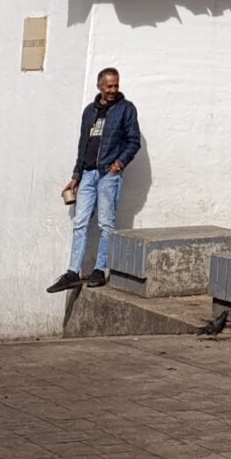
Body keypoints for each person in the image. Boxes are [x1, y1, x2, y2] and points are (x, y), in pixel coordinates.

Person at [49, 66, 141, 293]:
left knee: (105, 223)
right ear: (100, 86)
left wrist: (119, 164)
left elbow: (133, 141)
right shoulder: (90, 111)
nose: (113, 90)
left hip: (109, 173)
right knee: (80, 222)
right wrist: (76, 175)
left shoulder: (126, 109)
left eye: (116, 85)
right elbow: (84, 144)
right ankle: (73, 271)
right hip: (89, 173)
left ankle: (100, 268)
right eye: (109, 86)